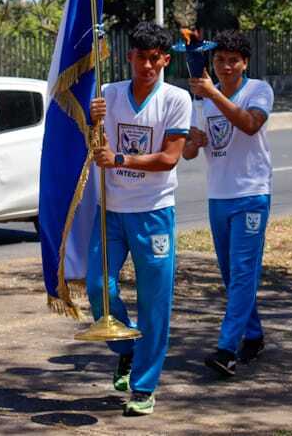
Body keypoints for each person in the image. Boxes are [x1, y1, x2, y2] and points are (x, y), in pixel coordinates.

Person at [87, 21, 193, 415]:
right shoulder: (107, 94)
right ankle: (125, 348)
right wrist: (90, 118)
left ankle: (144, 387)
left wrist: (120, 158)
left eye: (155, 59)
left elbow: (168, 158)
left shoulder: (176, 100)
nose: (147, 66)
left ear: (165, 59)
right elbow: (92, 144)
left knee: (154, 304)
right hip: (110, 211)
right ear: (128, 56)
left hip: (153, 214)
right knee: (99, 286)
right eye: (140, 58)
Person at [183, 29, 274, 377]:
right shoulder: (204, 100)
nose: (226, 66)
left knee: (242, 272)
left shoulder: (258, 90)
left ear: (244, 62)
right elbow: (190, 153)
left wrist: (212, 95)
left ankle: (226, 349)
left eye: (233, 61)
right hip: (219, 195)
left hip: (251, 193)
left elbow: (250, 125)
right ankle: (253, 334)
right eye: (219, 60)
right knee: (231, 274)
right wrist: (195, 141)